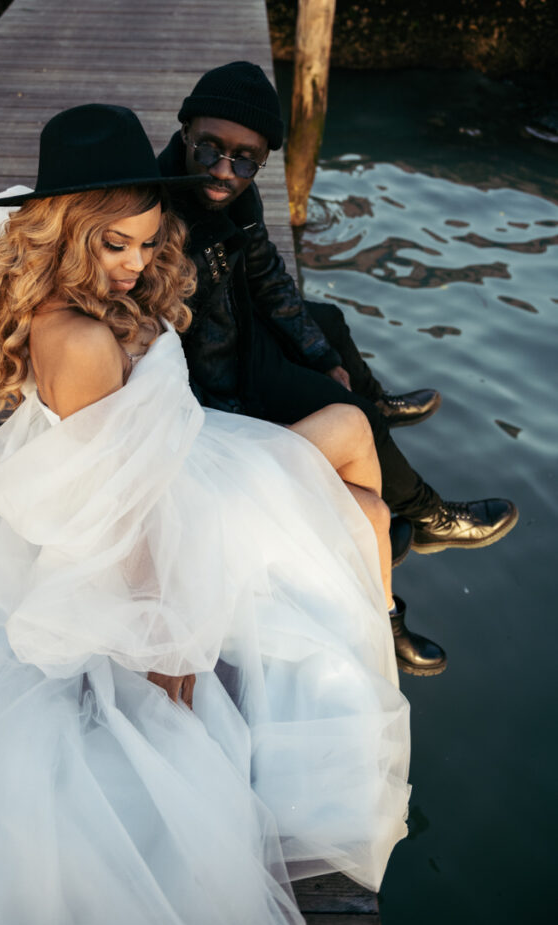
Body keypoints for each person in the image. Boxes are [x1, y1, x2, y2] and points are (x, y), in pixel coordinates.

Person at [0, 104, 411, 925]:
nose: (134, 263)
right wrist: (166, 636)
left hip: (190, 462)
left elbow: (140, 445)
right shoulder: (80, 340)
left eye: (146, 240)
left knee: (348, 433)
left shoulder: (83, 293)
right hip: (156, 515)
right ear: (64, 232)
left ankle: (372, 623)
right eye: (112, 244)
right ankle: (361, 659)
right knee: (364, 510)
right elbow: (117, 512)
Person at [156, 64, 519, 629]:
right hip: (221, 384)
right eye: (209, 150)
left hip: (234, 332)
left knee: (329, 323)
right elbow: (174, 361)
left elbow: (270, 278)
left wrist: (323, 355)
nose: (224, 172)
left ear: (262, 161)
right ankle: (427, 516)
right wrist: (284, 403)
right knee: (344, 412)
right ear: (185, 132)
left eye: (245, 160)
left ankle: (375, 403)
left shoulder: (236, 196)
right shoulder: (155, 219)